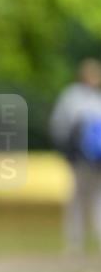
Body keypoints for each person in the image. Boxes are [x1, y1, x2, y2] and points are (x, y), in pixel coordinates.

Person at [49, 58, 101, 256]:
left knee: (92, 198)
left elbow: (59, 125)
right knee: (81, 198)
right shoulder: (74, 97)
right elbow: (61, 126)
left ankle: (82, 242)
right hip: (81, 160)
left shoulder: (79, 98)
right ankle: (75, 243)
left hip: (92, 160)